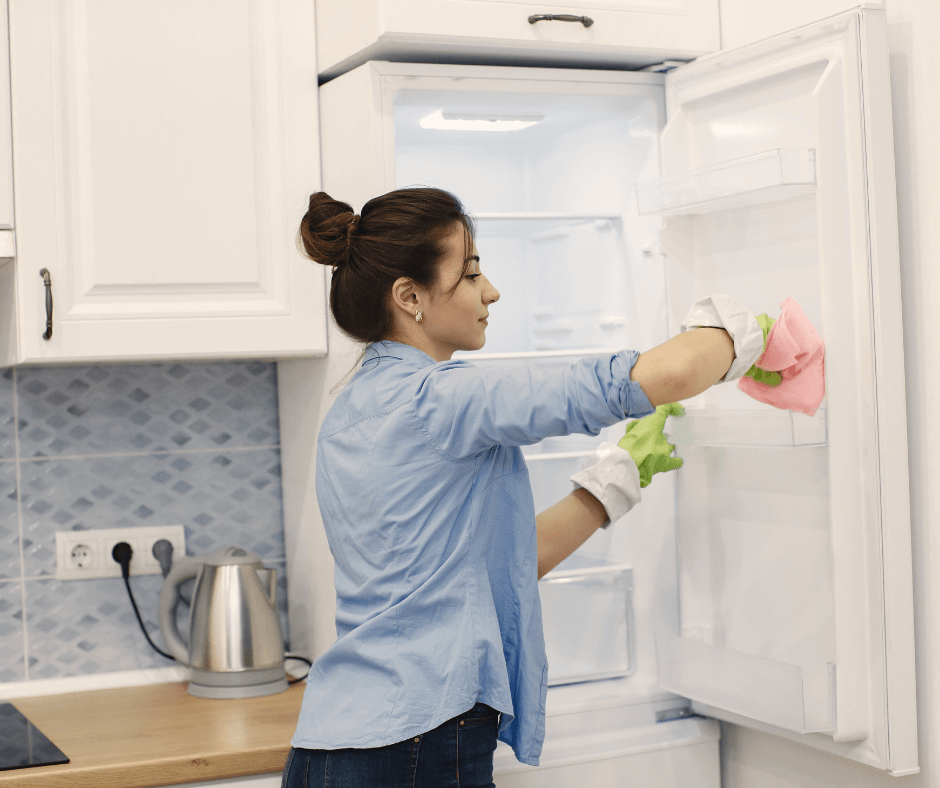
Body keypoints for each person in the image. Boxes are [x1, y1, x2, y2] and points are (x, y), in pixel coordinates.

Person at [283, 187, 765, 788]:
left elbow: (488, 568)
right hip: (417, 741)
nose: (490, 291)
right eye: (471, 273)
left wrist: (612, 482)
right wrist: (748, 331)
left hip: (328, 748)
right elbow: (663, 375)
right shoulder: (444, 399)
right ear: (410, 297)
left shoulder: (348, 412)